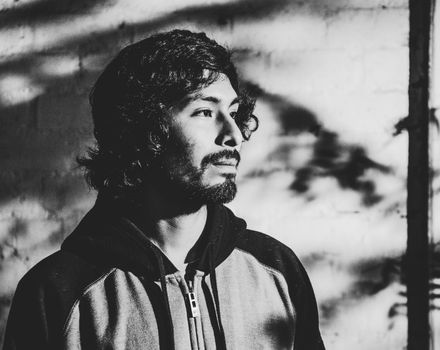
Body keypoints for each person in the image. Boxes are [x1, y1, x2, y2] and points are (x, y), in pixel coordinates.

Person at [2, 29, 325, 350]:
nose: (234, 136)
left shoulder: (276, 269)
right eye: (205, 112)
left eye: (234, 112)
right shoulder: (58, 293)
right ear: (144, 129)